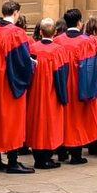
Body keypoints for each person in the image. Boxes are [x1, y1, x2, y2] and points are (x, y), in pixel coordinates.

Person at [0, 0, 34, 174]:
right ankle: (13, 161)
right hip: (9, 82)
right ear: (15, 13)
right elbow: (22, 61)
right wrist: (30, 71)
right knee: (14, 120)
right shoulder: (17, 33)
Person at [53, 8, 97, 165]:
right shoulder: (86, 42)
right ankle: (76, 154)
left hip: (62, 83)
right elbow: (91, 68)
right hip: (80, 85)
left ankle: (61, 151)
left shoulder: (58, 41)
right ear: (80, 22)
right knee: (78, 119)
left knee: (63, 117)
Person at [26, 18, 70, 169]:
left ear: (39, 32)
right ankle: (46, 158)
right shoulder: (58, 50)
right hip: (51, 94)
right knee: (50, 124)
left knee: (36, 124)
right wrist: (63, 96)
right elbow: (62, 75)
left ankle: (38, 156)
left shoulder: (33, 49)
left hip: (34, 94)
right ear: (55, 32)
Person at [82, 16, 97, 155]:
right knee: (94, 114)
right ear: (96, 26)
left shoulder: (86, 39)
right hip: (96, 81)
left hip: (88, 81)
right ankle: (93, 143)